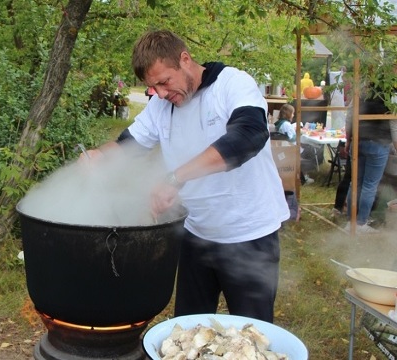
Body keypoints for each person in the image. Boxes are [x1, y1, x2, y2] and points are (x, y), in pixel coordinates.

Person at [79, 30, 290, 323]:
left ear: (185, 60)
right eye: (154, 87)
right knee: (188, 329)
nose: (162, 94)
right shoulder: (161, 106)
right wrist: (100, 156)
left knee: (251, 333)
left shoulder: (232, 84)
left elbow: (248, 136)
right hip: (196, 235)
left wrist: (175, 178)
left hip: (249, 235)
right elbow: (129, 145)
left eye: (165, 82)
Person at [343, 85, 397, 234]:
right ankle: (360, 224)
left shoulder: (361, 91)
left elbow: (349, 116)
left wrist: (348, 140)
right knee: (370, 185)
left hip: (358, 141)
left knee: (356, 183)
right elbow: (393, 124)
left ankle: (350, 222)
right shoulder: (389, 95)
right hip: (379, 144)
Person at [273, 103, 315, 185]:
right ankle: (303, 177)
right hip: (291, 149)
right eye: (292, 113)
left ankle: (303, 175)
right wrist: (299, 133)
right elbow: (291, 138)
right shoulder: (287, 125)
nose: (293, 115)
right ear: (288, 114)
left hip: (284, 148)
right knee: (310, 151)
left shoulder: (280, 123)